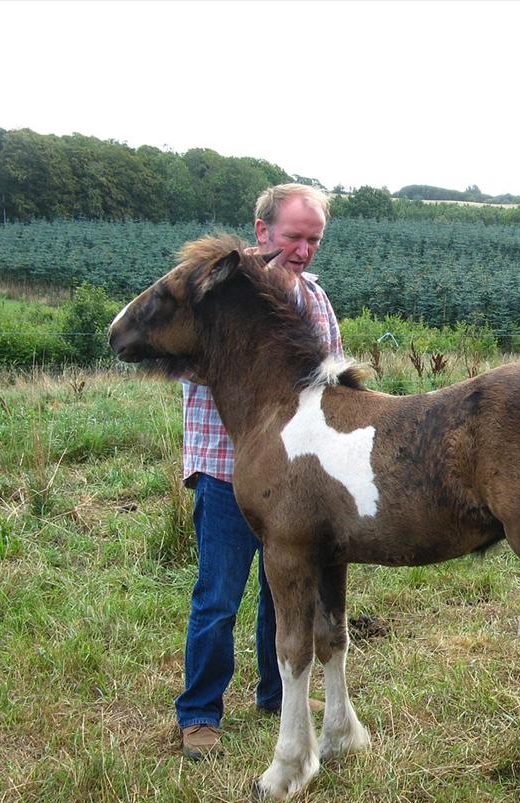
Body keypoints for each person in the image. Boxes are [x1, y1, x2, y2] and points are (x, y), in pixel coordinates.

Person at [178, 183, 344, 758]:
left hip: (297, 480)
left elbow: (330, 383)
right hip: (229, 469)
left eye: (313, 239)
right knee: (218, 595)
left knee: (288, 590)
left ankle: (278, 694)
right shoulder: (218, 291)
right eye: (293, 236)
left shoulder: (316, 299)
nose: (302, 249)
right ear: (261, 230)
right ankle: (200, 712)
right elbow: (188, 362)